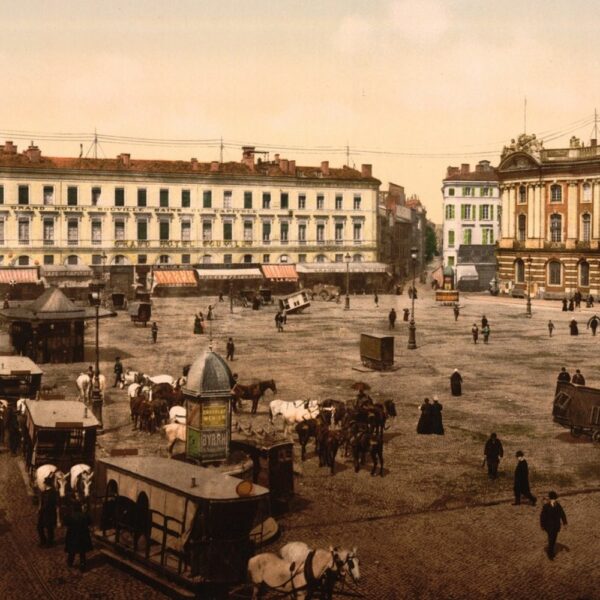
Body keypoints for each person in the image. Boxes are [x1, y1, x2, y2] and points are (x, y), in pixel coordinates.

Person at [64, 502, 93, 572]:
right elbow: (90, 522)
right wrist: (86, 512)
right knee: (82, 552)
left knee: (72, 551)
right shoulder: (84, 516)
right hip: (82, 537)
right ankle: (82, 564)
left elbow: (66, 522)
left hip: (73, 537)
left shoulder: (71, 516)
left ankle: (70, 562)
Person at [540, 491, 567, 560]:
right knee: (551, 539)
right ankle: (550, 553)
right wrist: (542, 525)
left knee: (553, 538)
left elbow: (562, 514)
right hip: (549, 527)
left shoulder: (557, 505)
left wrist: (565, 522)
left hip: (556, 526)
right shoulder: (546, 506)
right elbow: (542, 516)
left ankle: (551, 550)